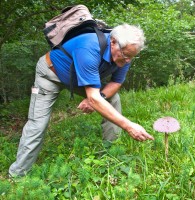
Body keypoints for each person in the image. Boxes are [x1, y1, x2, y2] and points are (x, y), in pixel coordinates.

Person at [9, 23, 154, 177]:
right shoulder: (89, 46)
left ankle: (110, 154)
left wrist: (99, 98)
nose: (127, 61)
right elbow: (93, 96)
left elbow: (116, 83)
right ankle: (17, 174)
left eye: (131, 57)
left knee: (113, 98)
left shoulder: (125, 56)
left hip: (77, 78)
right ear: (113, 42)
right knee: (38, 124)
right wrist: (129, 125)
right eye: (125, 55)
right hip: (50, 75)